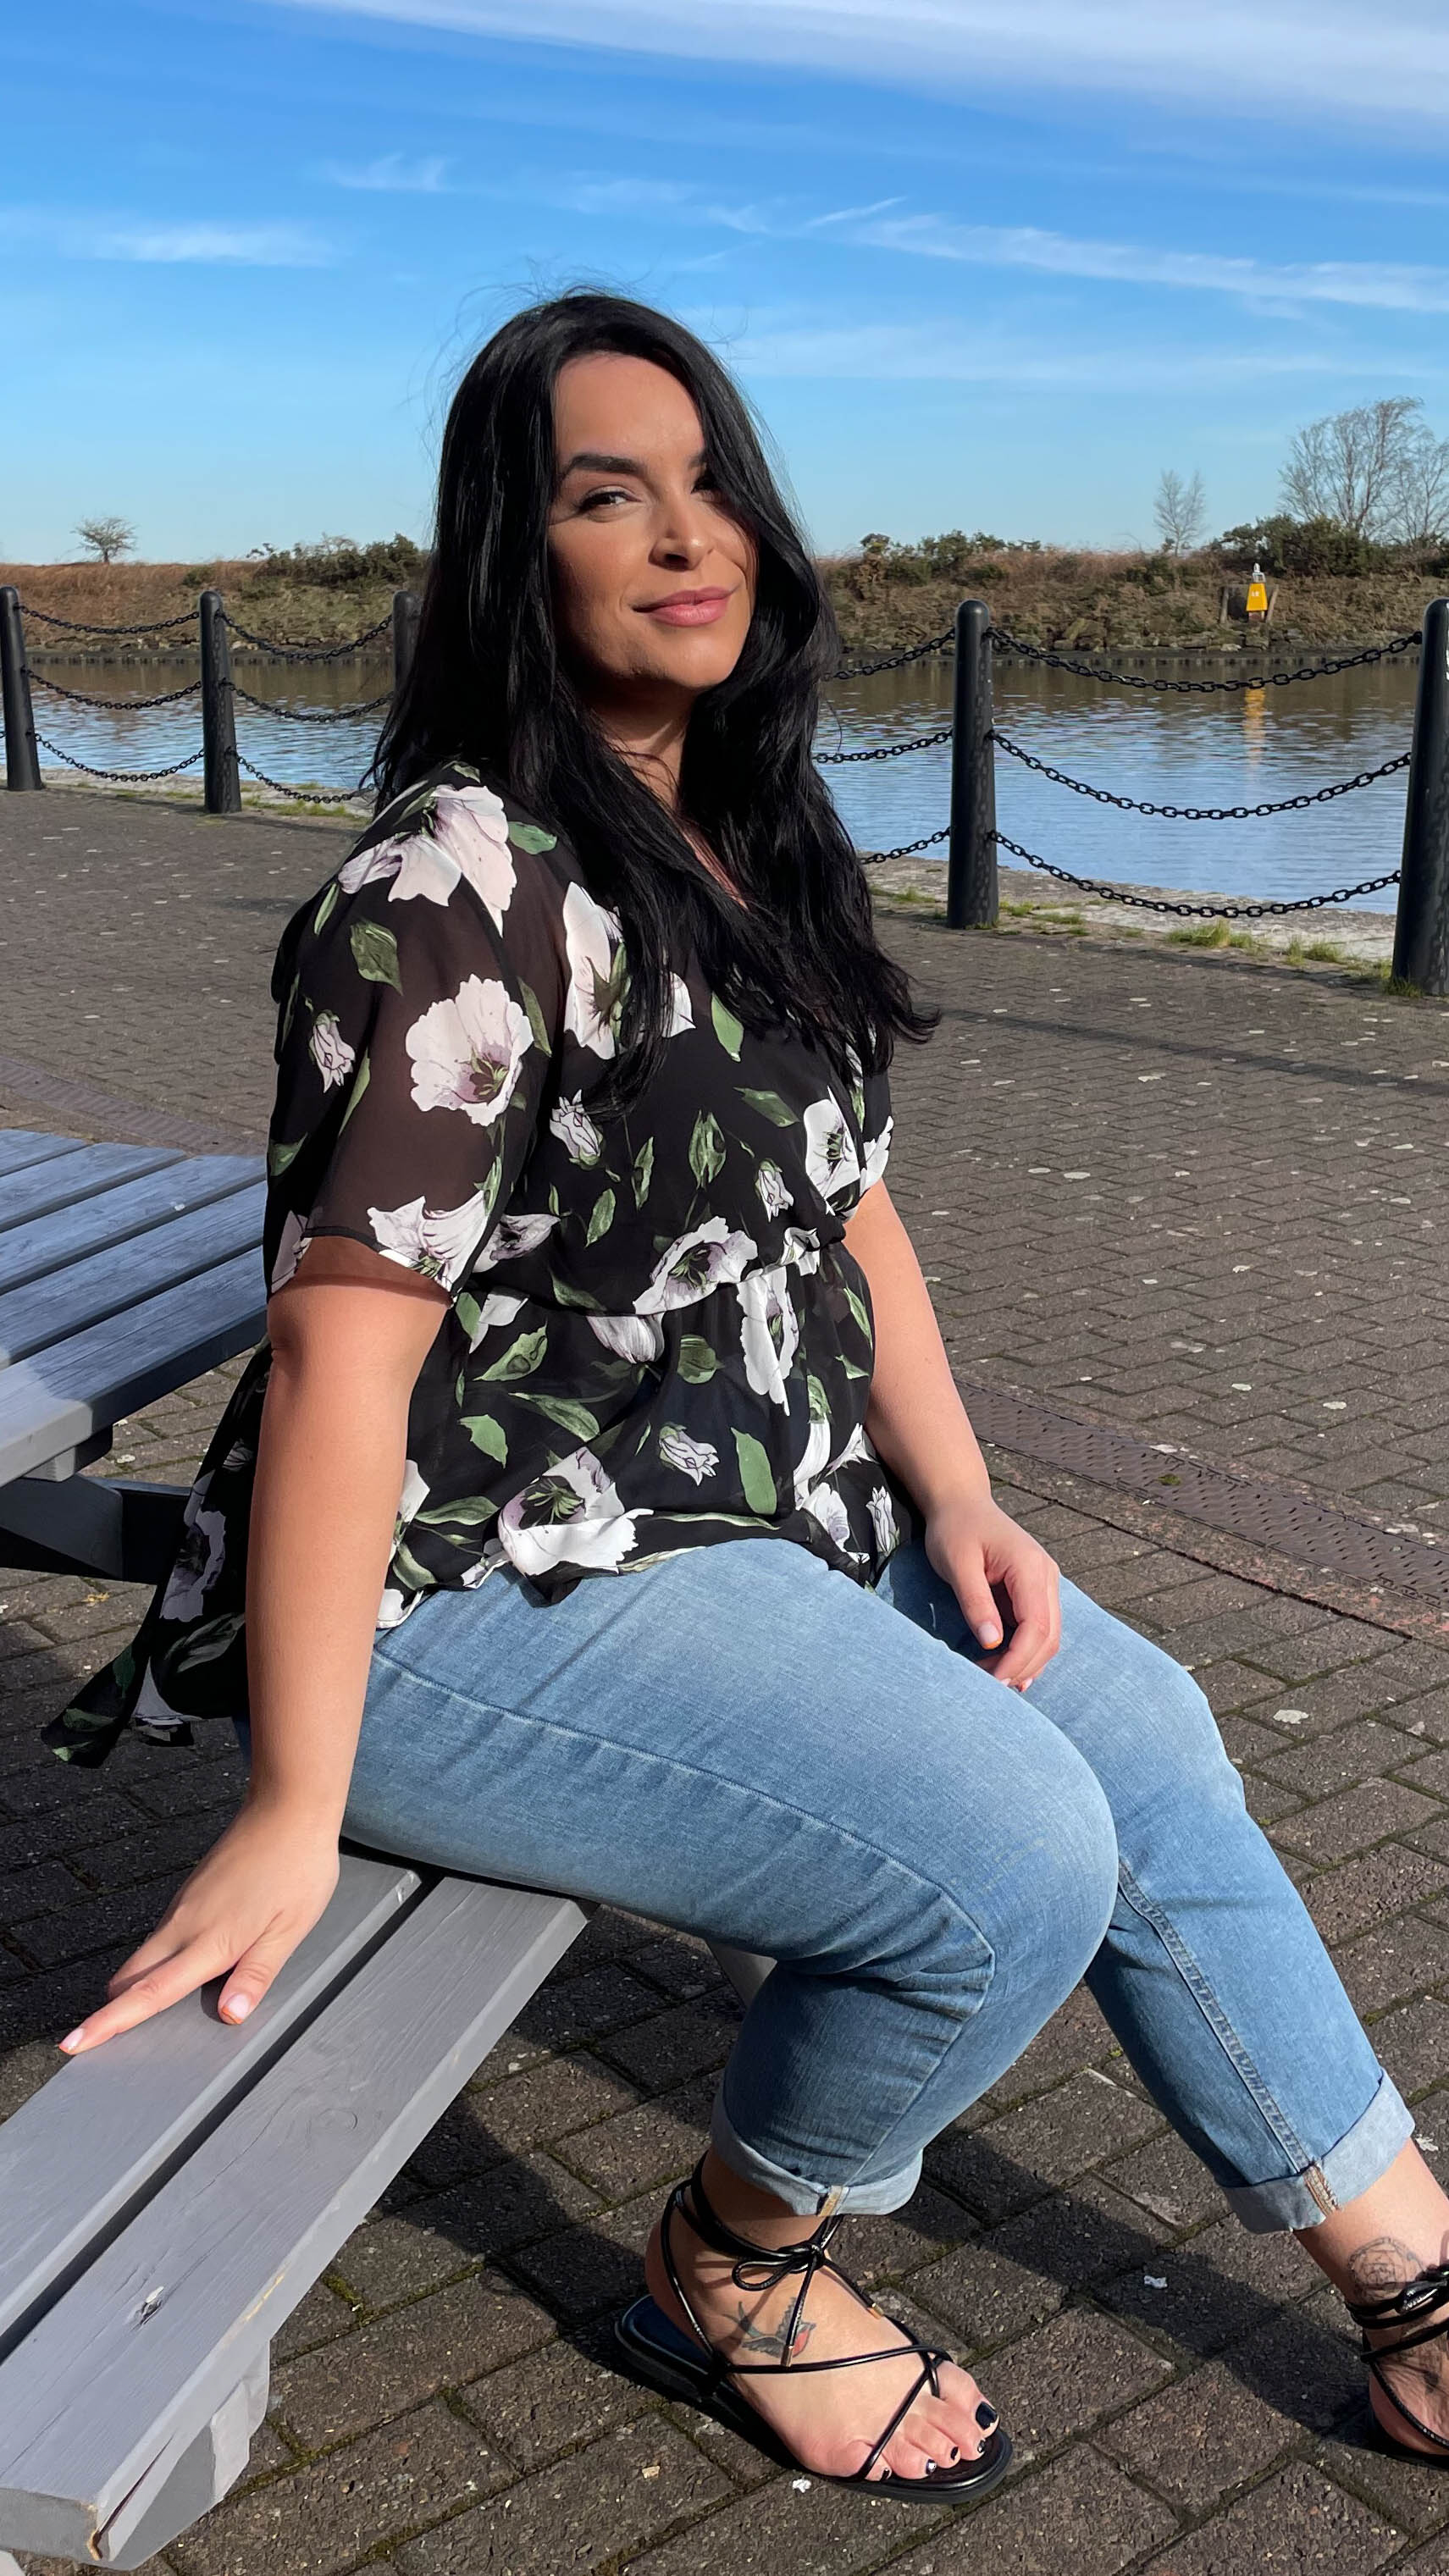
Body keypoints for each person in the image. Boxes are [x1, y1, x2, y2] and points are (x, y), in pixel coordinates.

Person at [47, 291, 1449, 2502]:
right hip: (455, 1580)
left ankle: (1415, 2276)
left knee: (1143, 1726)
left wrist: (960, 1495)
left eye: (712, 484)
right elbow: (337, 1356)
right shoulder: (455, 889)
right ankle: (736, 2260)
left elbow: (849, 1212)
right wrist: (294, 1797)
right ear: (514, 552)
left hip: (726, 1498)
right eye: (609, 494)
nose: (688, 536)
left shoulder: (745, 844)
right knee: (1008, 1855)